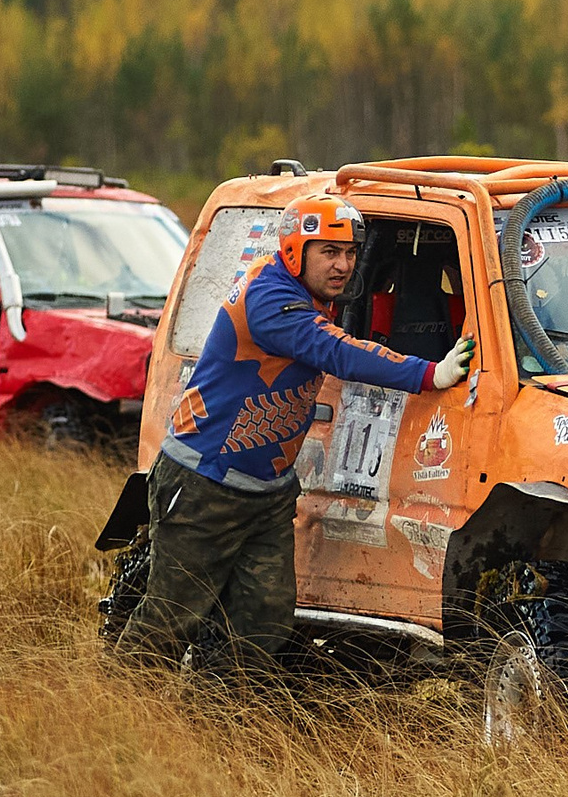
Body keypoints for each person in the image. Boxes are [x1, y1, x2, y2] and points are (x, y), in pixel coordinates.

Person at [115, 194, 474, 676]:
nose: (343, 264)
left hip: (267, 493)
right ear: (293, 250)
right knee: (170, 621)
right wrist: (430, 373)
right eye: (329, 251)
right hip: (205, 484)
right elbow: (336, 351)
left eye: (350, 252)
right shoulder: (270, 298)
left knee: (264, 620)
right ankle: (116, 716)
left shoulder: (312, 295)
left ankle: (212, 720)